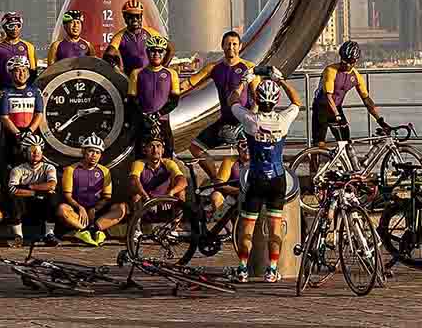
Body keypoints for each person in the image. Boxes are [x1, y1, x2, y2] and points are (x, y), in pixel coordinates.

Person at [231, 73, 302, 283]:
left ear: (257, 99)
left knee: (247, 228)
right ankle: (272, 269)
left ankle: (243, 268)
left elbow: (232, 101)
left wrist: (244, 81)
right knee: (274, 228)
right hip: (277, 179)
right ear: (276, 100)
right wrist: (280, 80)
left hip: (256, 178)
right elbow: (297, 101)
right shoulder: (283, 119)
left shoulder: (250, 120)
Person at [186, 31, 256, 160]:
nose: (231, 47)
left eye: (234, 44)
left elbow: (257, 100)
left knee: (246, 157)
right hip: (224, 120)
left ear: (240, 46)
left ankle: (245, 178)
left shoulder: (249, 68)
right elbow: (189, 83)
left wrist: (248, 122)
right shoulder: (214, 67)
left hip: (244, 121)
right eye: (228, 44)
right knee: (195, 147)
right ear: (222, 46)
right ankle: (216, 179)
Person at [312, 40, 390, 148]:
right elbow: (328, 96)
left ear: (356, 61)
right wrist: (337, 115)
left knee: (346, 141)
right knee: (319, 143)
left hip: (337, 107)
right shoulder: (331, 70)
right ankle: (314, 163)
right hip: (321, 107)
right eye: (344, 61)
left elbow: (367, 100)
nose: (347, 64)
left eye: (351, 61)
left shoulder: (356, 76)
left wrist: (380, 120)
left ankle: (342, 163)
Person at [57, 134, 128, 247]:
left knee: (121, 208)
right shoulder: (71, 169)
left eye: (97, 152)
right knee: (62, 209)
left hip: (97, 210)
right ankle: (87, 230)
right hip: (78, 210)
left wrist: (95, 209)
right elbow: (68, 195)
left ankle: (94, 229)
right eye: (91, 151)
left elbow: (107, 197)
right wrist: (80, 207)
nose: (94, 155)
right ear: (83, 152)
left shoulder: (104, 171)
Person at [7, 132, 60, 247]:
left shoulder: (48, 167)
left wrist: (27, 187)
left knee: (53, 196)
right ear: (25, 152)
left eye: (39, 150)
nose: (36, 153)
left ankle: (49, 234)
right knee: (14, 200)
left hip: (41, 204)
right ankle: (18, 236)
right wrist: (37, 192)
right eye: (32, 150)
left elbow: (52, 185)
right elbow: (12, 190)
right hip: (24, 205)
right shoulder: (17, 170)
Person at [127, 35, 179, 147]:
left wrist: (157, 115)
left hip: (163, 122)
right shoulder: (136, 73)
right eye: (152, 51)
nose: (156, 54)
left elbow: (174, 102)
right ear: (147, 52)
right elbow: (132, 101)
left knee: (166, 157)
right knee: (139, 158)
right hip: (143, 122)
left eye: (160, 51)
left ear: (164, 53)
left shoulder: (171, 74)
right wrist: (146, 117)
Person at [0, 55, 46, 166]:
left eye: (24, 70)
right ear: (11, 73)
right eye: (17, 71)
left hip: (31, 134)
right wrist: (18, 134)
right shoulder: (5, 92)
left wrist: (29, 131)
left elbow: (39, 114)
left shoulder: (35, 91)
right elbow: (4, 117)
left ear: (28, 73)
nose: (21, 74)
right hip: (12, 136)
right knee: (10, 166)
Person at [128, 129, 187, 209]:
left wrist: (170, 193)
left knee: (181, 192)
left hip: (166, 201)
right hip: (146, 201)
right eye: (151, 146)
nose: (155, 150)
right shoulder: (139, 163)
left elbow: (183, 181)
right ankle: (138, 220)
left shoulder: (168, 163)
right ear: (145, 150)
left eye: (158, 146)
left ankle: (177, 220)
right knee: (136, 195)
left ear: (162, 150)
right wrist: (147, 199)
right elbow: (134, 181)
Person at [107, 0, 165, 78]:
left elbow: (170, 49)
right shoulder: (120, 36)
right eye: (130, 16)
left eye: (137, 16)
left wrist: (163, 67)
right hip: (131, 79)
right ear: (124, 17)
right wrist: (118, 70)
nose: (135, 19)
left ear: (141, 16)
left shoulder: (150, 32)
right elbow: (108, 55)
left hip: (151, 77)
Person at [0, 12, 39, 90]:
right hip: (5, 89)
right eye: (11, 26)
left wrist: (24, 88)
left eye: (18, 25)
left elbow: (33, 72)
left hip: (25, 89)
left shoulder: (28, 46)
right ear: (4, 27)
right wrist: (4, 88)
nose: (15, 29)